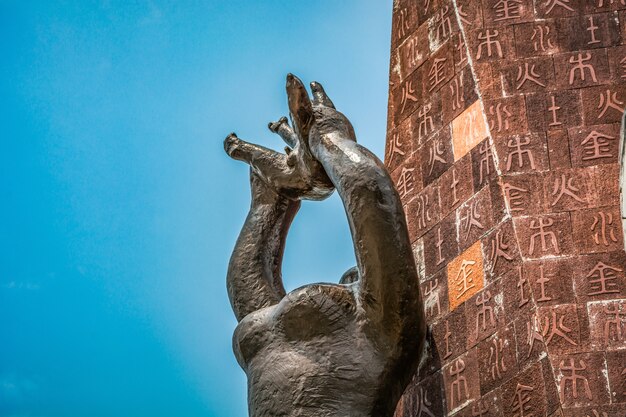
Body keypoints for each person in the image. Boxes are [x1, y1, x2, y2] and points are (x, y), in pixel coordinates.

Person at [224, 74, 426, 417]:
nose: (352, 278)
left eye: (357, 278)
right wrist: (271, 200)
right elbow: (249, 294)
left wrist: (328, 140)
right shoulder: (341, 330)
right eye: (353, 276)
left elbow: (370, 194)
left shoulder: (385, 331)